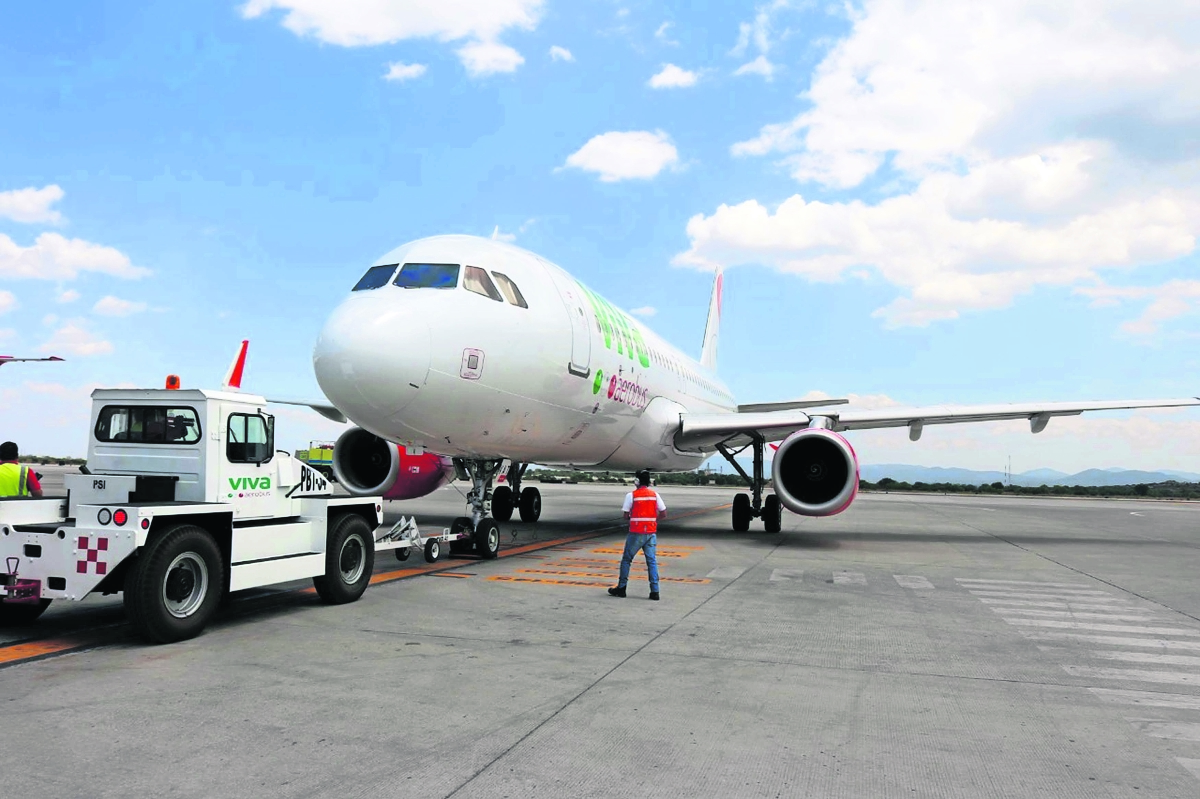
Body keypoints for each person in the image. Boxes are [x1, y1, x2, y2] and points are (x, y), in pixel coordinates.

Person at [608, 469, 666, 600]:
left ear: (637, 481)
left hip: (636, 533)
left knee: (627, 560)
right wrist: (652, 520)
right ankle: (655, 591)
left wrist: (635, 518)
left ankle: (622, 588)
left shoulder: (632, 495)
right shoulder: (655, 495)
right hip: (651, 533)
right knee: (651, 561)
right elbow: (663, 513)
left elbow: (625, 515)